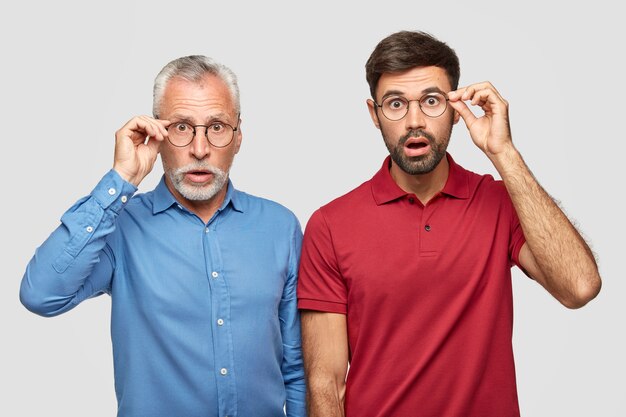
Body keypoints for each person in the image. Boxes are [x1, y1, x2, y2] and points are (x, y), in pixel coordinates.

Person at [297, 30, 601, 417]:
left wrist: (503, 153)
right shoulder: (330, 224)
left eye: (431, 101)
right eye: (395, 104)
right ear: (374, 114)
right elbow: (325, 382)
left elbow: (579, 287)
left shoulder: (500, 203)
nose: (414, 121)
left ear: (457, 109)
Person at [20, 55, 305, 417]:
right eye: (182, 127)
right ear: (157, 132)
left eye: (216, 127)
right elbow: (41, 295)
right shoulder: (119, 226)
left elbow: (297, 367)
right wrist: (120, 180)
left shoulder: (280, 227)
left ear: (238, 136)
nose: (199, 150)